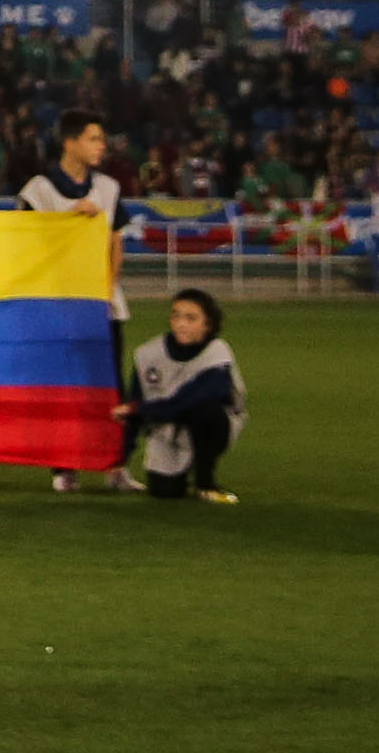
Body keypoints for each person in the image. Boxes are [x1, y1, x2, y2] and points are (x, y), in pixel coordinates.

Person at [21, 115, 127, 494]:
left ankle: (115, 464)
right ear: (69, 142)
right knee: (64, 387)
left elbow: (117, 242)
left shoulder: (109, 188)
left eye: (103, 139)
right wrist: (68, 220)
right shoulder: (40, 190)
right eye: (94, 138)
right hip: (57, 305)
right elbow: (27, 243)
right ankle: (64, 467)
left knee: (110, 385)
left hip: (101, 305)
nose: (101, 146)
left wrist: (106, 290)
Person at [124, 289, 246, 502]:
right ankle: (177, 475)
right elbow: (135, 402)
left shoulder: (217, 355)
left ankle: (205, 482)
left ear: (207, 324)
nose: (181, 324)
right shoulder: (147, 354)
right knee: (165, 492)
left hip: (213, 427)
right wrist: (120, 459)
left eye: (191, 318)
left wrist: (141, 410)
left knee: (207, 411)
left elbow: (194, 401)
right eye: (176, 316)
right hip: (166, 430)